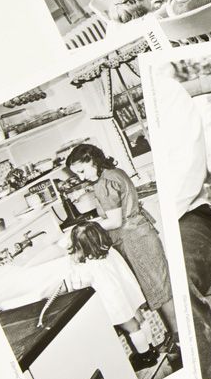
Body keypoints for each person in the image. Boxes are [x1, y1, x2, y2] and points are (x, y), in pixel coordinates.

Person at [66, 144, 178, 344]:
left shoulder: (103, 184)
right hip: (142, 232)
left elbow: (115, 221)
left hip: (133, 240)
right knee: (162, 287)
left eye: (82, 171)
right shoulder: (115, 172)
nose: (82, 178)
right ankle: (176, 335)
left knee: (160, 292)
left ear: (92, 160)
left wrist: (85, 228)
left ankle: (179, 338)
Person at [158, 63, 211, 379]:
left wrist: (160, 224)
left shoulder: (167, 92)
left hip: (188, 215)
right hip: (155, 224)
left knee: (180, 279)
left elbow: (188, 170)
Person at [62, 222, 163, 371]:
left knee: (133, 327)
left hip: (115, 302)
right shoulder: (110, 252)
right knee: (140, 319)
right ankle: (151, 347)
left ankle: (145, 356)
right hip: (127, 294)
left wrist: (74, 266)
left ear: (80, 246)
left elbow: (79, 285)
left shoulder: (87, 266)